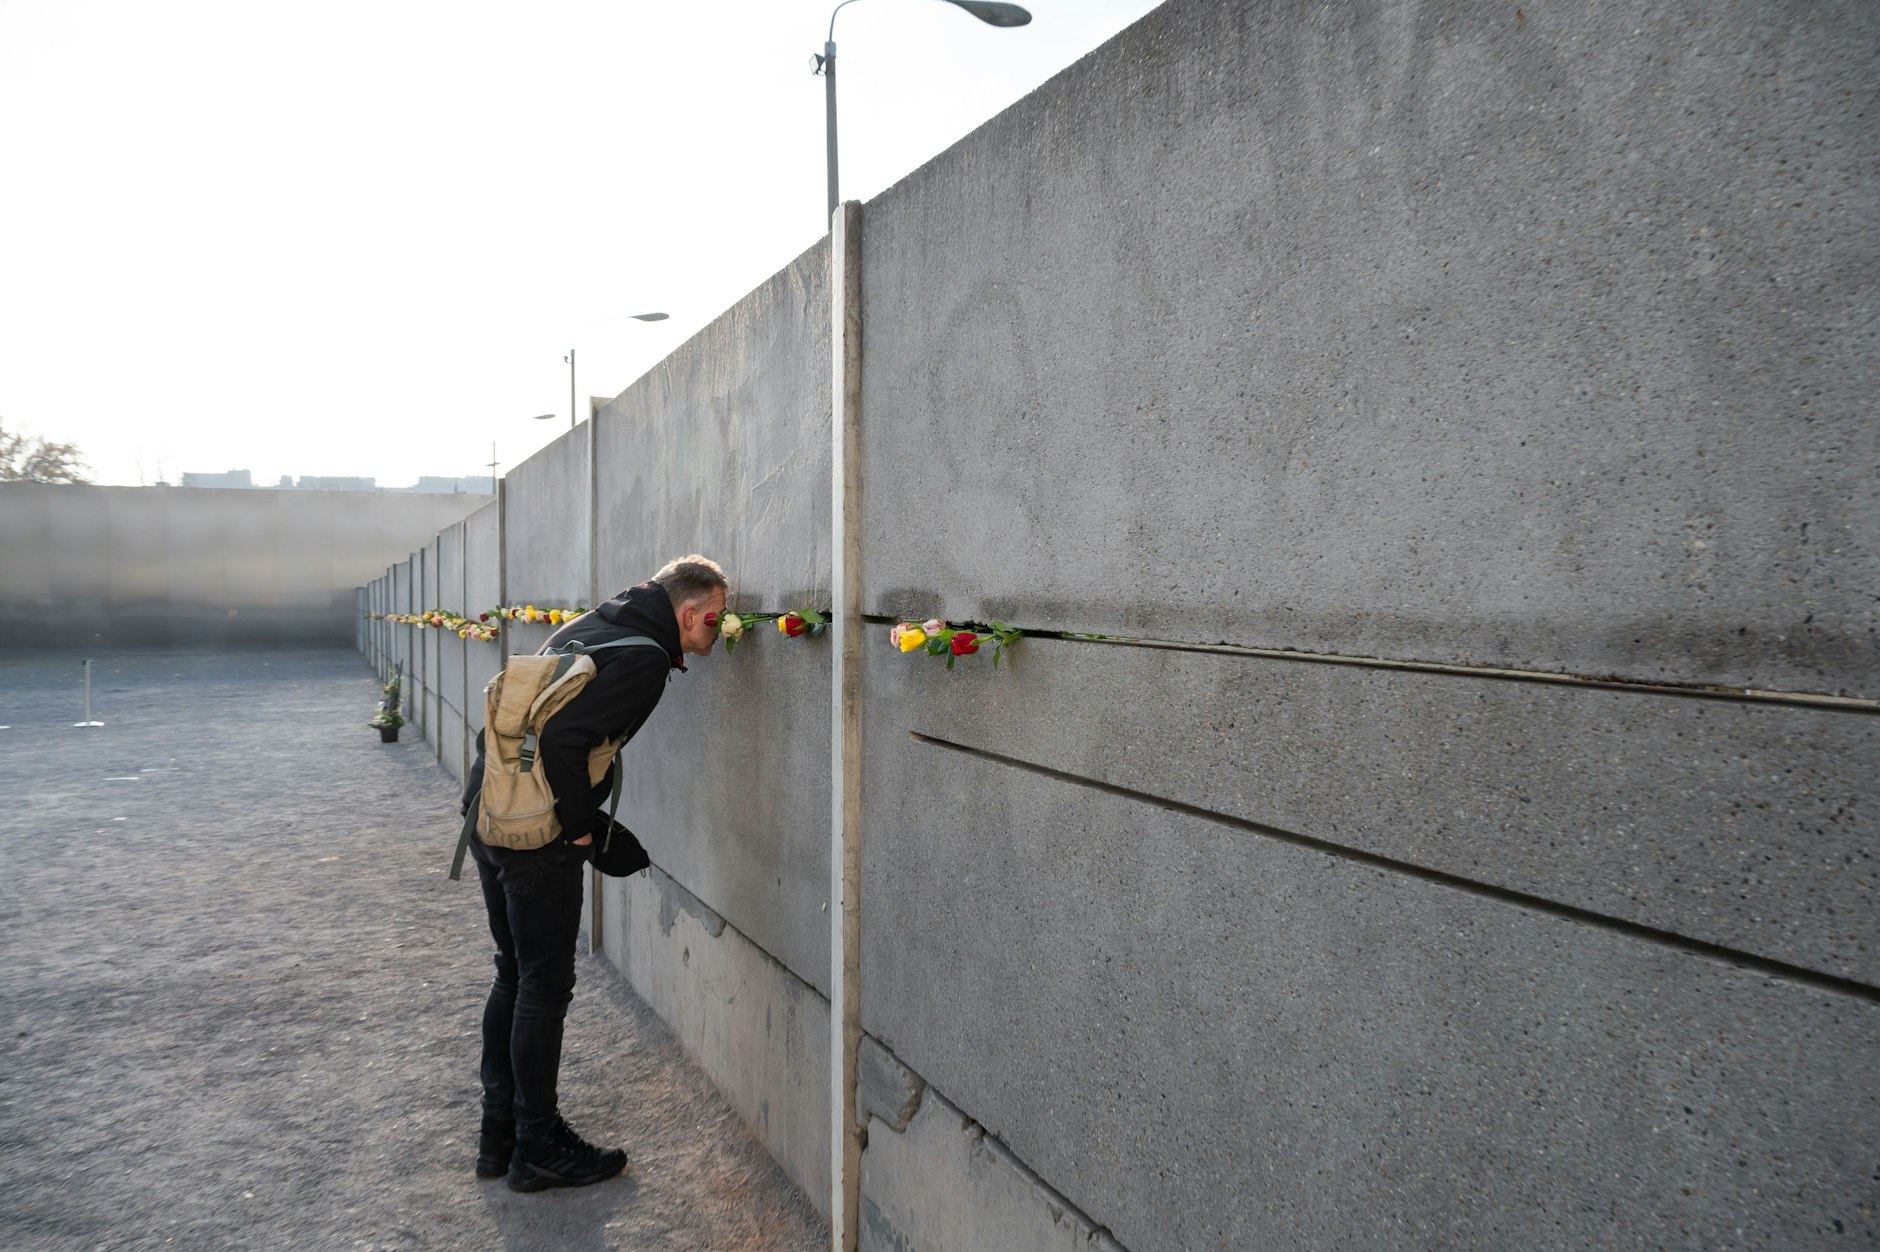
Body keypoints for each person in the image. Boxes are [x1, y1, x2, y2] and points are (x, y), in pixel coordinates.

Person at [461, 554, 728, 1192]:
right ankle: (538, 1146)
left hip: (489, 812)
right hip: (538, 838)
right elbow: (564, 741)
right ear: (686, 613)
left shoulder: (595, 623)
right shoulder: (643, 659)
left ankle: (499, 1135)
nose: (719, 631)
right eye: (715, 620)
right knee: (544, 987)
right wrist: (580, 829)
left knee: (514, 974)